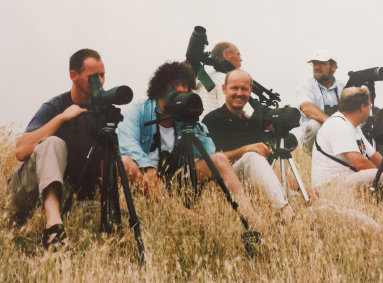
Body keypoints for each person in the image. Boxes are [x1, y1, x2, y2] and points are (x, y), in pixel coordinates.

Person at [118, 61, 263, 230]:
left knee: (219, 160)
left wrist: (192, 119)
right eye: (176, 85)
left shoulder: (182, 117)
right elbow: (127, 145)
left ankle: (253, 220)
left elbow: (208, 153)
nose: (181, 90)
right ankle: (184, 215)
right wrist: (149, 168)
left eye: (186, 86)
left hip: (175, 178)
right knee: (126, 162)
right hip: (145, 178)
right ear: (161, 88)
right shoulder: (138, 110)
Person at [6, 48, 105, 249]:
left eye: (102, 75)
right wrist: (61, 118)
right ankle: (53, 229)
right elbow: (21, 151)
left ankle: (57, 217)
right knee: (53, 143)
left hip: (68, 194)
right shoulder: (55, 106)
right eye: (93, 77)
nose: (100, 82)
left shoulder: (101, 115)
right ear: (73, 76)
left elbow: (104, 165)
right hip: (26, 191)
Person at [202, 69, 294, 219]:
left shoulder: (251, 123)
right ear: (224, 89)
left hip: (255, 183)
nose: (239, 93)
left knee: (320, 205)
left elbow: (269, 164)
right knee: (252, 156)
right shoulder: (212, 120)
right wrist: (246, 150)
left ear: (250, 91)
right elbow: (213, 162)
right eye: (234, 88)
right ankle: (285, 211)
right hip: (227, 183)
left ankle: (290, 199)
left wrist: (295, 186)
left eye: (244, 89)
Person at [311, 87, 383, 205]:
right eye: (369, 105)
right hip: (329, 188)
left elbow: (374, 156)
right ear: (363, 107)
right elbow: (360, 163)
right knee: (373, 175)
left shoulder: (352, 125)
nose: (370, 108)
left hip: (345, 181)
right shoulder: (338, 125)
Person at [296, 49, 345, 152]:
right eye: (314, 64)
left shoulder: (343, 87)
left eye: (321, 63)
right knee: (314, 125)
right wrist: (331, 123)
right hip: (315, 137)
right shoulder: (306, 85)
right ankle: (305, 158)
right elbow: (306, 107)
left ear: (334, 66)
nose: (316, 67)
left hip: (338, 134)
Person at [196, 42, 242, 119]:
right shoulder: (225, 79)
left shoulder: (202, 79)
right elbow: (230, 114)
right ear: (226, 55)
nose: (241, 59)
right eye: (238, 55)